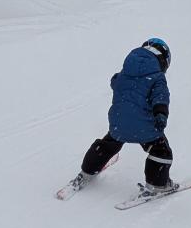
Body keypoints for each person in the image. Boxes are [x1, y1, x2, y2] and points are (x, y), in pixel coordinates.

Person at [70, 38, 177, 197]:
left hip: (118, 123)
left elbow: (115, 82)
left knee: (108, 144)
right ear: (163, 60)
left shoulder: (125, 72)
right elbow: (160, 98)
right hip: (144, 127)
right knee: (161, 151)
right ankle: (157, 184)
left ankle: (87, 171)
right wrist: (161, 114)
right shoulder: (157, 77)